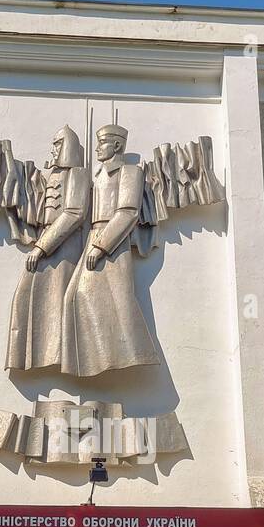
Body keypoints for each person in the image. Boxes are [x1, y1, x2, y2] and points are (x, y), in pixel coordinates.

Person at [60, 124, 160, 377]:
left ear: (116, 145)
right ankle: (92, 361)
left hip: (112, 245)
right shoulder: (96, 176)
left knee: (117, 303)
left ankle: (130, 353)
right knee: (73, 297)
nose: (96, 148)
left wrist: (101, 246)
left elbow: (127, 213)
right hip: (94, 238)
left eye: (101, 143)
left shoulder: (129, 172)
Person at [5, 125, 89, 372]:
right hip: (47, 240)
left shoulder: (78, 175)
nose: (54, 149)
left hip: (63, 247)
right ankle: (29, 358)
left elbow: (73, 214)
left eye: (58, 144)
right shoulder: (52, 175)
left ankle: (62, 357)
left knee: (56, 302)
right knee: (26, 298)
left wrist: (41, 248)